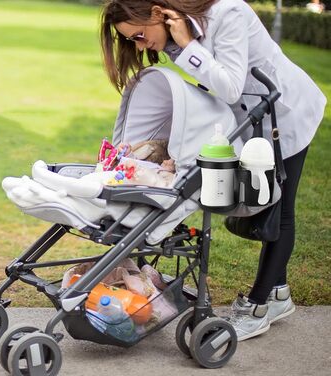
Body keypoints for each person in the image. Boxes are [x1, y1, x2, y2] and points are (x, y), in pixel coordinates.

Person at [99, 0, 327, 341]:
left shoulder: (228, 14)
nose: (140, 46)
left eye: (140, 36)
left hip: (286, 115)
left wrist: (190, 47)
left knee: (278, 208)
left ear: (160, 14)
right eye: (133, 41)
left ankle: (259, 306)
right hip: (250, 117)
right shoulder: (177, 43)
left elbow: (231, 86)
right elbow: (218, 96)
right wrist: (189, 148)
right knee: (264, 204)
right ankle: (278, 292)